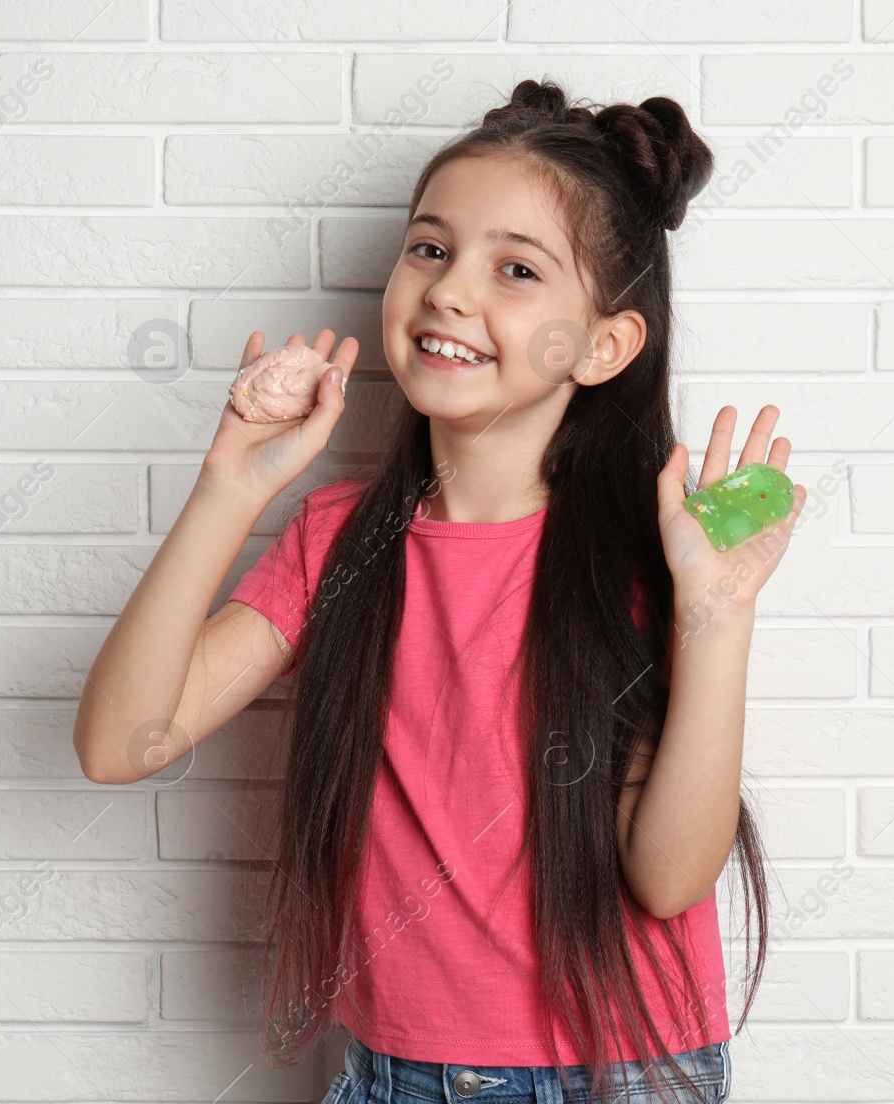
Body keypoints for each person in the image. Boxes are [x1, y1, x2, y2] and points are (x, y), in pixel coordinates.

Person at [75, 77, 806, 1104]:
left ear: (604, 345)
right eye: (429, 248)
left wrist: (717, 620)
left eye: (515, 268)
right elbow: (122, 743)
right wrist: (227, 489)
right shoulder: (338, 543)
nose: (451, 291)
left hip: (618, 1078)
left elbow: (668, 878)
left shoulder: (652, 554)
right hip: (392, 1075)